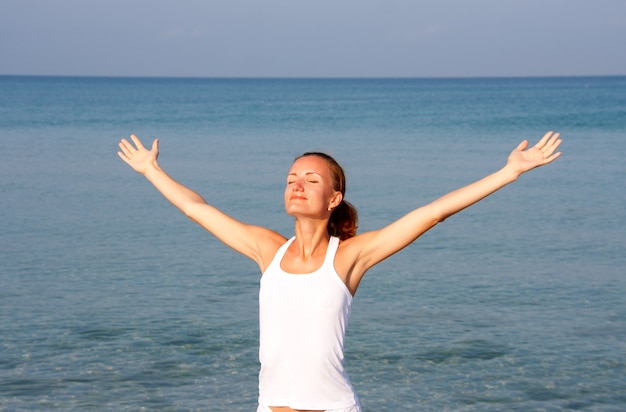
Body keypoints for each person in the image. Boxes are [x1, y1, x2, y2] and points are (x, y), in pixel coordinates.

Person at [117, 131, 562, 412]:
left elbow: (431, 213)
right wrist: (151, 171)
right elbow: (198, 209)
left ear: (333, 198)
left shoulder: (348, 256)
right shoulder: (267, 249)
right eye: (292, 177)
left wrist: (509, 172)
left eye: (312, 179)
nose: (297, 184)